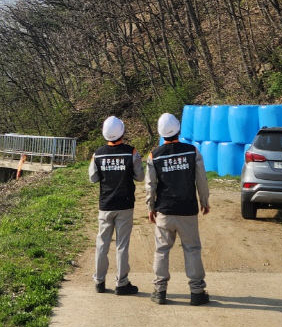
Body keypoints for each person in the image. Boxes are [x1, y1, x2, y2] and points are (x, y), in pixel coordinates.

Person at [145, 112, 210, 305]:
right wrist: (204, 201)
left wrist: (150, 207)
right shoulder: (192, 151)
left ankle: (159, 291)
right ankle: (197, 292)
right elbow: (201, 179)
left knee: (161, 250)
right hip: (187, 210)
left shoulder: (154, 155)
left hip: (164, 211)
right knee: (192, 249)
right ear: (179, 129)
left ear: (160, 133)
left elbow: (151, 185)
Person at [89, 115, 144, 295]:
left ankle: (99, 281)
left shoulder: (98, 154)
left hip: (105, 205)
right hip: (125, 204)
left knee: (102, 243)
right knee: (122, 244)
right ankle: (122, 283)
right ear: (122, 131)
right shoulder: (131, 152)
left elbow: (93, 178)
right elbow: (140, 176)